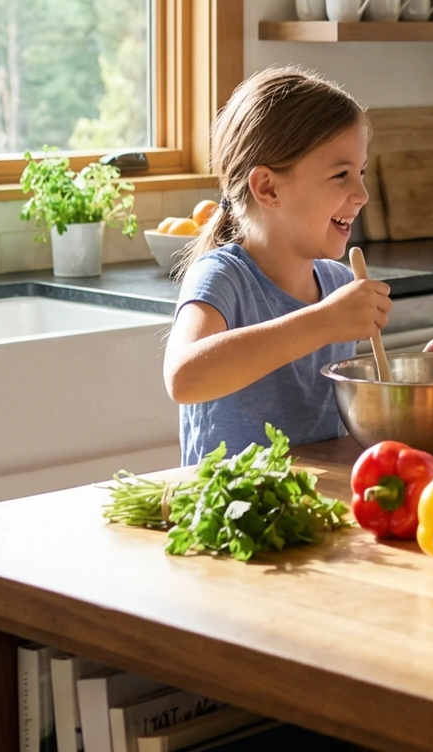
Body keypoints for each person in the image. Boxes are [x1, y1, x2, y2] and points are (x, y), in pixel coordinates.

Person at [164, 68, 405, 462]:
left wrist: (422, 383)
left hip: (317, 503)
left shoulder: (337, 282)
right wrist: (324, 321)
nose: (361, 194)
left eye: (360, 173)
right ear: (268, 188)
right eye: (340, 174)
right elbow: (184, 377)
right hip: (232, 512)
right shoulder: (223, 277)